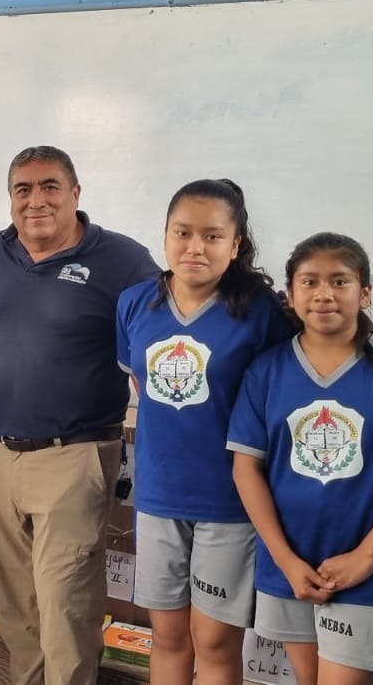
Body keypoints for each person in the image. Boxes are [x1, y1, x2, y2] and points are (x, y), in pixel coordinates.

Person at [0, 145, 159, 685]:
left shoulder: (124, 261)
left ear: (75, 194)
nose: (36, 200)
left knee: (66, 605)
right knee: (16, 605)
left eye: (50, 187)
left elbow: (174, 328)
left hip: (75, 456)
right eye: (23, 189)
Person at [229, 233, 373, 684]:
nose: (324, 294)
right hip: (290, 567)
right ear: (290, 294)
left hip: (367, 570)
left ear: (365, 292)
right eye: (310, 282)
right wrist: (285, 560)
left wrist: (366, 557)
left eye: (340, 281)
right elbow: (246, 468)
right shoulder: (266, 370)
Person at [115, 179, 292, 685]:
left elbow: (279, 400)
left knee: (214, 641)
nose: (195, 247)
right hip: (158, 495)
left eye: (212, 236)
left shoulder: (260, 312)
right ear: (165, 235)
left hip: (230, 502)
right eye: (183, 233)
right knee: (168, 636)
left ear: (235, 246)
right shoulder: (134, 304)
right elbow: (141, 385)